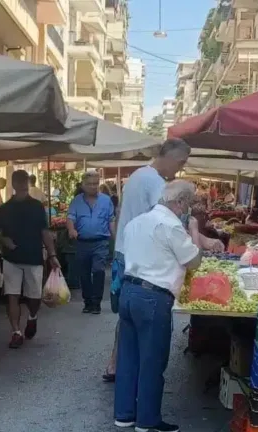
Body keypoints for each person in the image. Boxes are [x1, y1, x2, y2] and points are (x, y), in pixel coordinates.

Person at [114, 180, 202, 432]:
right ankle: (147, 420)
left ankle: (124, 415)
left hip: (129, 291)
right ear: (180, 202)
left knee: (128, 358)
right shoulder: (171, 225)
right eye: (188, 204)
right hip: (153, 296)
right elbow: (193, 261)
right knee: (152, 361)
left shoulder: (136, 222)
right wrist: (194, 231)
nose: (188, 209)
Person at [104, 138, 191, 382]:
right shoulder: (155, 182)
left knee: (126, 313)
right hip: (137, 255)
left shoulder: (137, 175)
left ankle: (115, 363)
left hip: (125, 250)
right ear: (171, 156)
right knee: (137, 313)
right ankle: (125, 366)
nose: (180, 169)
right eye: (181, 163)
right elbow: (166, 220)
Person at [0, 170, 60, 349]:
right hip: (11, 258)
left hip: (33, 257)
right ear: (13, 184)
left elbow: (44, 232)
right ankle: (16, 332)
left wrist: (52, 255)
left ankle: (32, 317)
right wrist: (4, 240)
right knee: (11, 295)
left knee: (34, 297)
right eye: (19, 181)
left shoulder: (37, 207)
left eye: (24, 181)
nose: (22, 185)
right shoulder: (4, 209)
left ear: (28, 183)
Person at [67, 171, 115, 314]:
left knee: (99, 270)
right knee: (84, 273)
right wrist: (71, 230)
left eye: (95, 183)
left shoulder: (106, 200)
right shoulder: (76, 201)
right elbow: (70, 218)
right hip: (82, 242)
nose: (93, 187)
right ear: (83, 185)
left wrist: (116, 238)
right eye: (89, 184)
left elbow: (111, 220)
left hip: (100, 242)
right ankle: (87, 301)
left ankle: (96, 302)